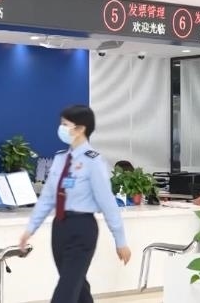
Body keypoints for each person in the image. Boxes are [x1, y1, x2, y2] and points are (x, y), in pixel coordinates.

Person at [19, 105, 131, 303]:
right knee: (76, 287)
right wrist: (30, 229)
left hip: (82, 229)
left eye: (65, 124)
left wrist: (120, 241)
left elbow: (108, 203)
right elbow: (47, 198)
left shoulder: (93, 161)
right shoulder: (60, 158)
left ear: (80, 129)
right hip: (60, 228)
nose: (61, 129)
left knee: (66, 290)